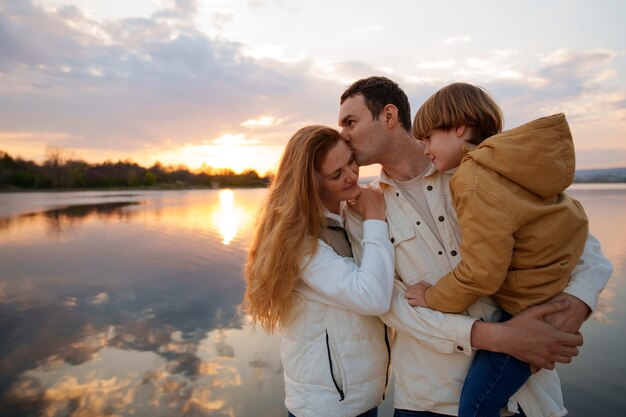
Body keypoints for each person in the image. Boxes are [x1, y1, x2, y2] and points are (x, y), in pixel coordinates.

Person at [338, 76, 613, 417]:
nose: (342, 135)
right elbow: (389, 304)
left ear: (389, 116)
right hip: (428, 398)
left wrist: (576, 302)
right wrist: (494, 337)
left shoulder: (483, 168)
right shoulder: (362, 209)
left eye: (350, 122)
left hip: (526, 394)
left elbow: (573, 237)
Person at [404, 82, 588, 417]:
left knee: (474, 408)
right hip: (546, 294)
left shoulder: (472, 180)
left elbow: (481, 275)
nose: (424, 149)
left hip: (523, 312)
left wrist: (431, 297)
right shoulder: (510, 167)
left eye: (428, 137)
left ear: (459, 127)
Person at [243, 125, 395, 417]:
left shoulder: (346, 215)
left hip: (361, 396)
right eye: (336, 174)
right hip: (327, 406)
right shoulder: (298, 244)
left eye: (351, 162)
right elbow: (372, 298)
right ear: (310, 184)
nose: (352, 175)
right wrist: (376, 219)